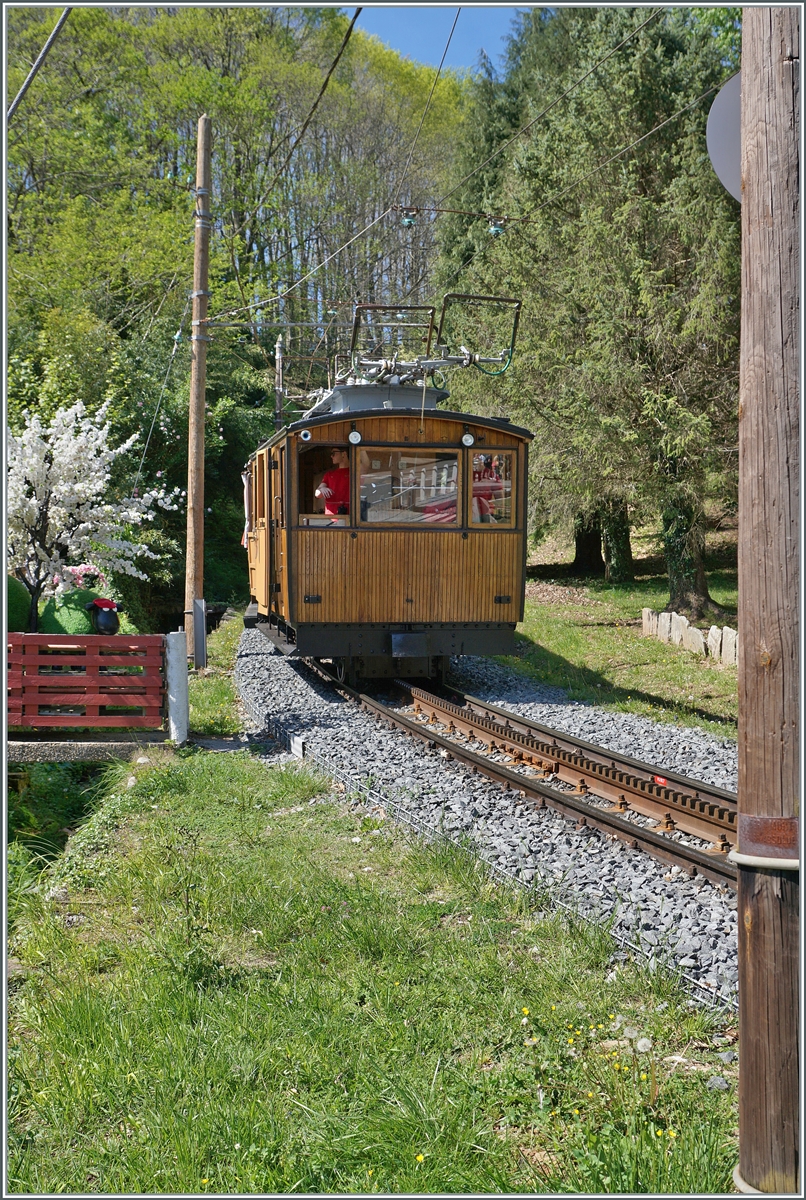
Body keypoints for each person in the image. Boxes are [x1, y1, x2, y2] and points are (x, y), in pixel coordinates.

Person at [315, 448, 350, 515]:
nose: (331, 456)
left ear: (344, 454)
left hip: (350, 517)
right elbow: (317, 494)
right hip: (330, 517)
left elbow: (366, 463)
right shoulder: (329, 474)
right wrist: (322, 489)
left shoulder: (354, 473)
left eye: (333, 454)